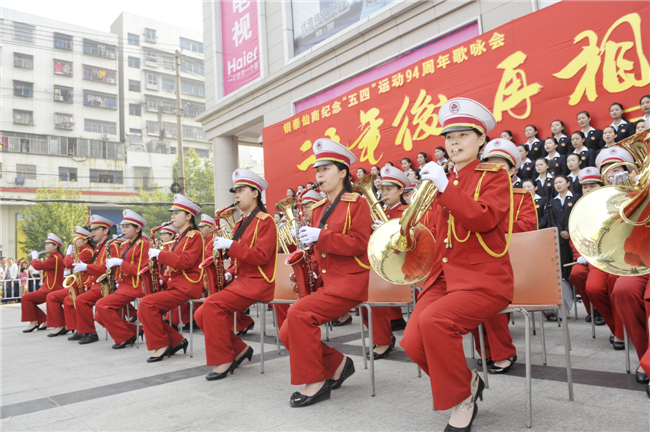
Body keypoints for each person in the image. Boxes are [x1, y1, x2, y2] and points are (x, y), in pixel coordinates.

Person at [400, 98, 514, 431]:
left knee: (435, 322)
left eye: (464, 134)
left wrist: (445, 186)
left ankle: (461, 398)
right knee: (411, 342)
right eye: (449, 136)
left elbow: (483, 218)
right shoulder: (439, 182)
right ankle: (467, 381)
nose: (454, 142)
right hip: (444, 279)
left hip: (484, 279)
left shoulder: (494, 175)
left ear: (481, 140)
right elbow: (435, 236)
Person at [279, 138, 372, 408]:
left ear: (343, 172)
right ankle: (339, 364)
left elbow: (359, 244)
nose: (319, 175)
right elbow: (320, 246)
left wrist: (323, 236)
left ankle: (316, 382)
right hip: (327, 283)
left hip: (351, 282)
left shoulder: (358, 203)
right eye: (317, 171)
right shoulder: (318, 208)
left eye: (326, 169)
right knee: (287, 332)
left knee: (298, 314)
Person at [193, 169, 277, 380]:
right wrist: (230, 272)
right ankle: (239, 349)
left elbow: (262, 257)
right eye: (235, 192)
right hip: (242, 281)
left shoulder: (266, 221)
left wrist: (232, 245)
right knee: (200, 314)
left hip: (259, 283)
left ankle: (224, 359)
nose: (236, 196)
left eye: (241, 191)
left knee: (212, 306)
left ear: (255, 193)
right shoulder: (240, 223)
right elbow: (240, 258)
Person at [470, 138, 536, 374]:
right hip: (481, 261)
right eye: (489, 166)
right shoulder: (476, 196)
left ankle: (503, 353)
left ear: (513, 170)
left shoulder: (522, 196)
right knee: (468, 297)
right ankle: (485, 352)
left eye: (502, 166)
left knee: (486, 295)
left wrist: (493, 223)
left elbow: (528, 227)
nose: (495, 171)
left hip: (514, 264)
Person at [139, 195, 204, 362]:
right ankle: (176, 341)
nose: (172, 217)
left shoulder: (194, 235)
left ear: (189, 216)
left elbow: (186, 262)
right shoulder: (180, 238)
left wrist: (161, 254)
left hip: (187, 286)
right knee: (146, 308)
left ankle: (162, 345)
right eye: (172, 213)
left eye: (176, 213)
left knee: (146, 304)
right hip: (177, 285)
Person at [363, 166, 410, 360]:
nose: (383, 193)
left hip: (402, 265)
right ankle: (382, 335)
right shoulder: (377, 211)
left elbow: (412, 241)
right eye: (381, 189)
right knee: (361, 294)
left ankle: (383, 340)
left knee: (374, 294)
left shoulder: (407, 211)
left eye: (389, 189)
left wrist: (389, 231)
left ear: (400, 191)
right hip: (380, 266)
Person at [94, 210, 151, 349]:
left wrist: (120, 263)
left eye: (127, 227)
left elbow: (140, 269)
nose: (123, 230)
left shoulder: (143, 244)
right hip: (124, 286)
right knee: (99, 314)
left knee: (102, 306)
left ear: (138, 229)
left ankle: (125, 337)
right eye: (122, 227)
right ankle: (134, 330)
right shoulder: (125, 244)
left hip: (137, 286)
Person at [64, 215, 121, 344]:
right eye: (92, 230)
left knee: (81, 300)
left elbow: (107, 270)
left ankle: (90, 333)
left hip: (105, 286)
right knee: (74, 299)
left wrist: (87, 267)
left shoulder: (110, 246)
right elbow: (94, 271)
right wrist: (87, 284)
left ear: (105, 231)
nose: (92, 232)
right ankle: (82, 330)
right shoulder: (99, 247)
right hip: (96, 285)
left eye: (95, 229)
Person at [568, 168, 604, 326]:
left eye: (592, 186)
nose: (588, 190)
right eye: (585, 187)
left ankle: (602, 309)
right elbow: (575, 235)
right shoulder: (578, 208)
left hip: (604, 258)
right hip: (585, 255)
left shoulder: (608, 204)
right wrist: (579, 256)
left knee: (596, 285)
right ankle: (592, 310)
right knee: (576, 273)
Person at [45, 227, 94, 337]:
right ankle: (69, 326)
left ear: (85, 240)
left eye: (77, 238)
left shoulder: (87, 252)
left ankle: (65, 326)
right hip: (78, 283)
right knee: (55, 297)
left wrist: (68, 254)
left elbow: (69, 264)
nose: (75, 240)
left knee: (55, 297)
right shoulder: (82, 251)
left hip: (84, 284)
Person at [21, 234, 65, 332]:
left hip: (52, 288)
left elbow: (38, 266)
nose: (45, 246)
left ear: (55, 246)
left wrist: (34, 258)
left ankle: (35, 321)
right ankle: (42, 320)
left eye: (48, 244)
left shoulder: (56, 257)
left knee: (26, 298)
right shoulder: (53, 256)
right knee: (27, 299)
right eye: (45, 244)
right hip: (47, 287)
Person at [550, 175, 576, 280]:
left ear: (568, 183)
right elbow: (552, 219)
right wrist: (561, 231)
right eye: (556, 183)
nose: (557, 185)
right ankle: (568, 289)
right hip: (560, 237)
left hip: (573, 235)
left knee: (575, 261)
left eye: (560, 182)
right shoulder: (552, 201)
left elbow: (576, 215)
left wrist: (568, 231)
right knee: (564, 263)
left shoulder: (576, 197)